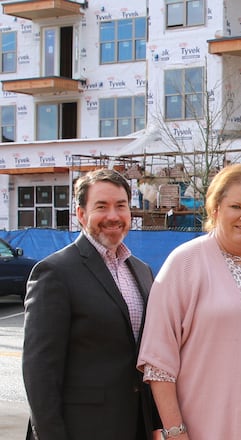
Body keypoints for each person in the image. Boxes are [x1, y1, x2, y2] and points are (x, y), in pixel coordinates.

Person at [137, 164, 241, 440]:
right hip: (207, 429)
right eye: (236, 206)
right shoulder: (185, 263)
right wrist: (175, 431)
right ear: (215, 209)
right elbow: (159, 363)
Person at [22, 168, 159, 439]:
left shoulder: (142, 271)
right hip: (82, 429)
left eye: (121, 206)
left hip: (135, 426)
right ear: (81, 214)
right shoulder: (54, 272)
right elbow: (40, 373)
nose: (113, 216)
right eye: (101, 206)